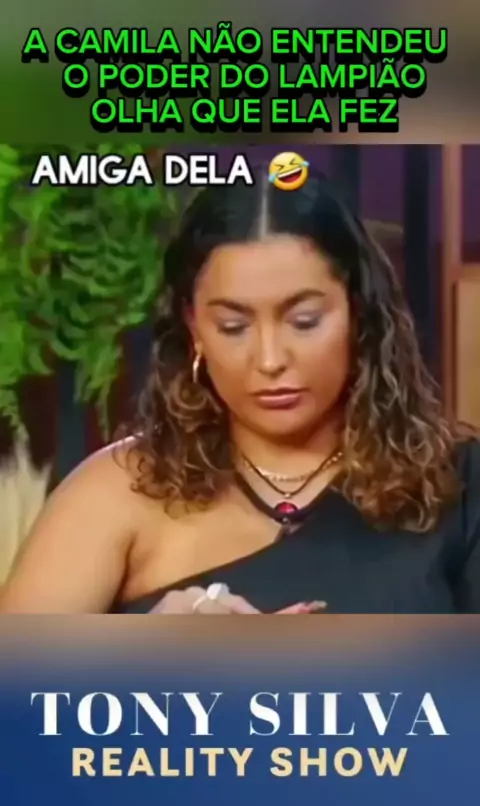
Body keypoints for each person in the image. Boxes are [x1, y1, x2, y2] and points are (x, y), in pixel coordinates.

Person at [1, 166, 479, 615]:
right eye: (233, 326)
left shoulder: (455, 484)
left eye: (304, 321)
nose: (270, 360)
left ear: (358, 313)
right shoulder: (117, 491)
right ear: (193, 328)